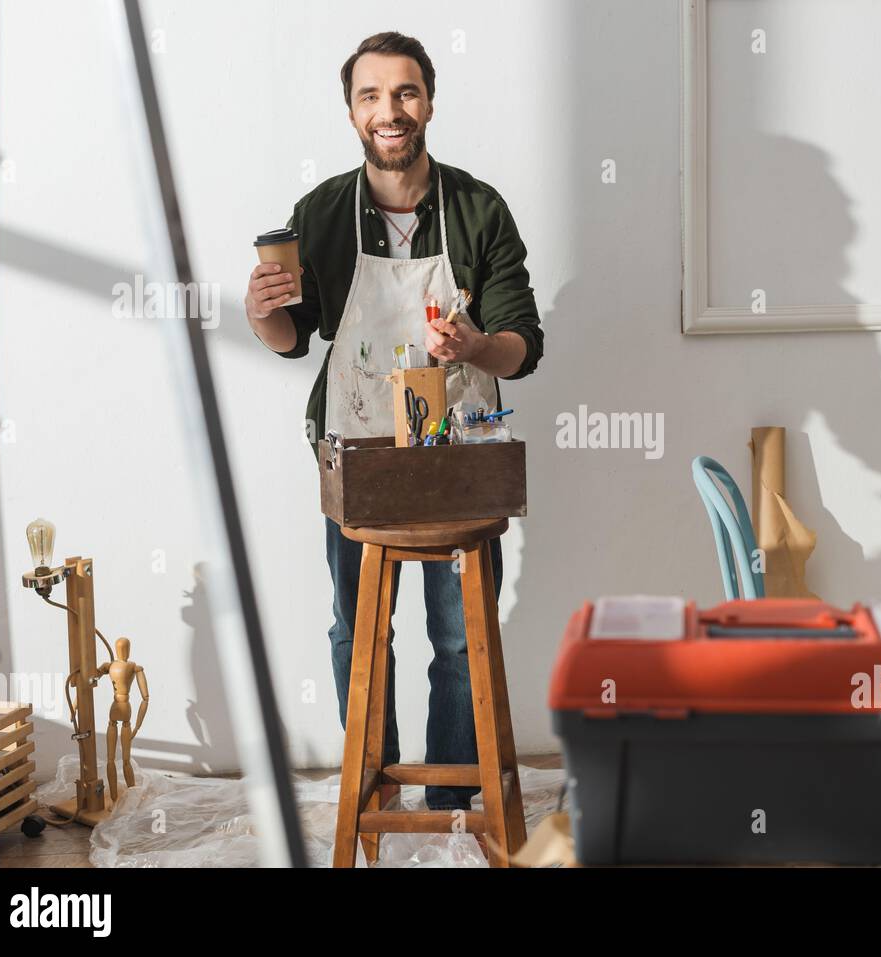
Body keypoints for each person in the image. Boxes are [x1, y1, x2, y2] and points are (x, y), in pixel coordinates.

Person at [243, 31, 543, 810]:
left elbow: (521, 347)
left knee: (457, 634)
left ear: (430, 104)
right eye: (371, 96)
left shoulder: (478, 209)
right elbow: (291, 338)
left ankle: (448, 798)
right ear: (352, 113)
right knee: (359, 630)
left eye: (405, 92)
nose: (390, 110)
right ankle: (375, 786)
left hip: (459, 456)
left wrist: (475, 344)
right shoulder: (321, 213)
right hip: (358, 452)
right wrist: (261, 314)